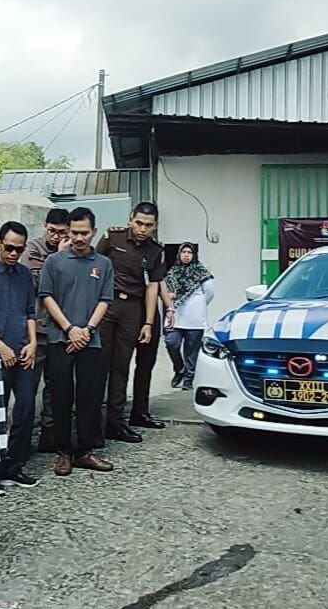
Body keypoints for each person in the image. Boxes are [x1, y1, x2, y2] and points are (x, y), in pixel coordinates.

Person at [39, 207, 115, 476]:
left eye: (84, 233)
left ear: (93, 231)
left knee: (90, 397)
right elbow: (47, 297)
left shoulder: (103, 264)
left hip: (90, 340)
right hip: (61, 338)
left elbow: (105, 300)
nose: (79, 238)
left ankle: (84, 450)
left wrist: (87, 330)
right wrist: (70, 328)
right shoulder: (54, 262)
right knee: (60, 397)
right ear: (68, 232)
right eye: (75, 233)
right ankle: (63, 452)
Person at [0, 221, 39, 495]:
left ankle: (14, 466)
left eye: (20, 249)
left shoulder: (25, 274)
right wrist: (0, 347)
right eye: (10, 248)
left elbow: (30, 312)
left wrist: (33, 343)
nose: (14, 254)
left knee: (25, 409)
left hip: (23, 352)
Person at [96, 202, 167, 444]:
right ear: (130, 220)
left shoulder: (156, 250)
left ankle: (120, 421)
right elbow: (94, 268)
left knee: (123, 365)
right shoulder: (112, 237)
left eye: (148, 225)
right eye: (139, 223)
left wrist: (148, 322)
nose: (142, 229)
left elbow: (153, 286)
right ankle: (96, 421)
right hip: (108, 305)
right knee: (103, 363)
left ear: (155, 226)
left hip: (134, 307)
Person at [22, 207, 71, 453]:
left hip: (60, 331)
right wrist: (58, 259)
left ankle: (49, 437)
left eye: (62, 232)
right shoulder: (33, 249)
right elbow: (38, 283)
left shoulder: (73, 252)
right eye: (52, 231)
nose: (55, 237)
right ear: (45, 227)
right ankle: (22, 440)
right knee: (29, 386)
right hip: (37, 330)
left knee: (56, 388)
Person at [163, 243, 215, 390]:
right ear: (179, 254)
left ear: (194, 255)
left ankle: (188, 379)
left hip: (194, 318)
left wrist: (197, 304)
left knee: (191, 350)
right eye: (183, 252)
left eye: (189, 252)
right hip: (174, 314)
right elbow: (164, 291)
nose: (186, 255)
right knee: (171, 342)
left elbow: (209, 293)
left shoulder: (202, 273)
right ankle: (179, 369)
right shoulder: (172, 273)